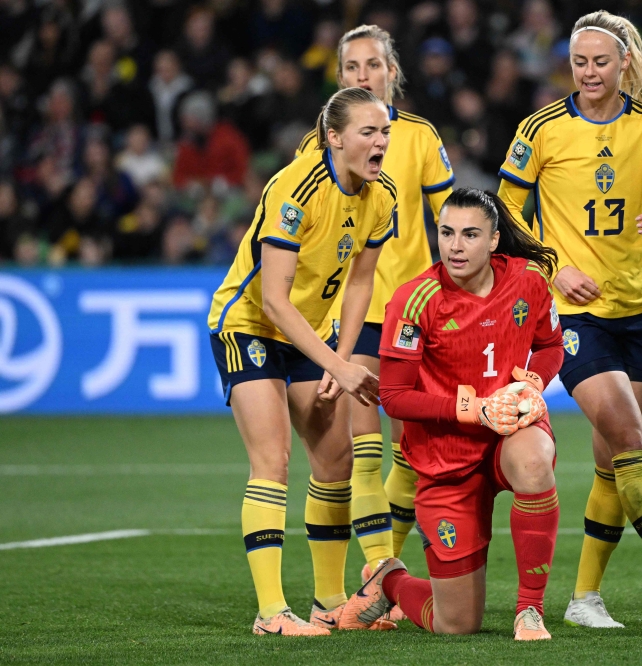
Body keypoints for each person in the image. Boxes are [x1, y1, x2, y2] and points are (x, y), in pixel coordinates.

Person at [496, 10, 642, 628]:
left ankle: (583, 599)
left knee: (610, 461)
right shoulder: (541, 128)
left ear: (624, 64)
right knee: (632, 440)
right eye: (579, 62)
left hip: (638, 309)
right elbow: (508, 209)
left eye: (600, 61)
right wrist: (552, 266)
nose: (589, 72)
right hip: (573, 313)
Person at [206, 86, 395, 636]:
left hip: (311, 334)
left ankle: (330, 602)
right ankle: (270, 613)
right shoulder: (296, 188)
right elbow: (272, 300)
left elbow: (361, 283)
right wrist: (337, 367)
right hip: (248, 326)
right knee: (274, 460)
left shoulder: (381, 198)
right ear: (334, 137)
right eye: (368, 131)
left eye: (383, 131)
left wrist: (340, 353)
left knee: (335, 462)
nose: (380, 141)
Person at [336, 188, 563, 640]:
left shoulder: (529, 281)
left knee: (535, 461)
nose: (455, 246)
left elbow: (552, 345)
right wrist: (475, 409)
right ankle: (389, 579)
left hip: (509, 435)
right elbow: (395, 397)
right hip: (445, 458)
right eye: (447, 233)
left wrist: (532, 384)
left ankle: (529, 611)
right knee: (456, 625)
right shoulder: (413, 301)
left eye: (470, 234)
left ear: (495, 240)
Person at [294, 25, 454, 595]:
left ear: (393, 72)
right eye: (353, 68)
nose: (364, 75)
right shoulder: (324, 145)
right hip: (353, 312)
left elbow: (448, 218)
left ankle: (381, 571)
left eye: (374, 65)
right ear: (340, 79)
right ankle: (380, 572)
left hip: (413, 310)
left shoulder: (419, 136)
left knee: (411, 452)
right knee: (363, 450)